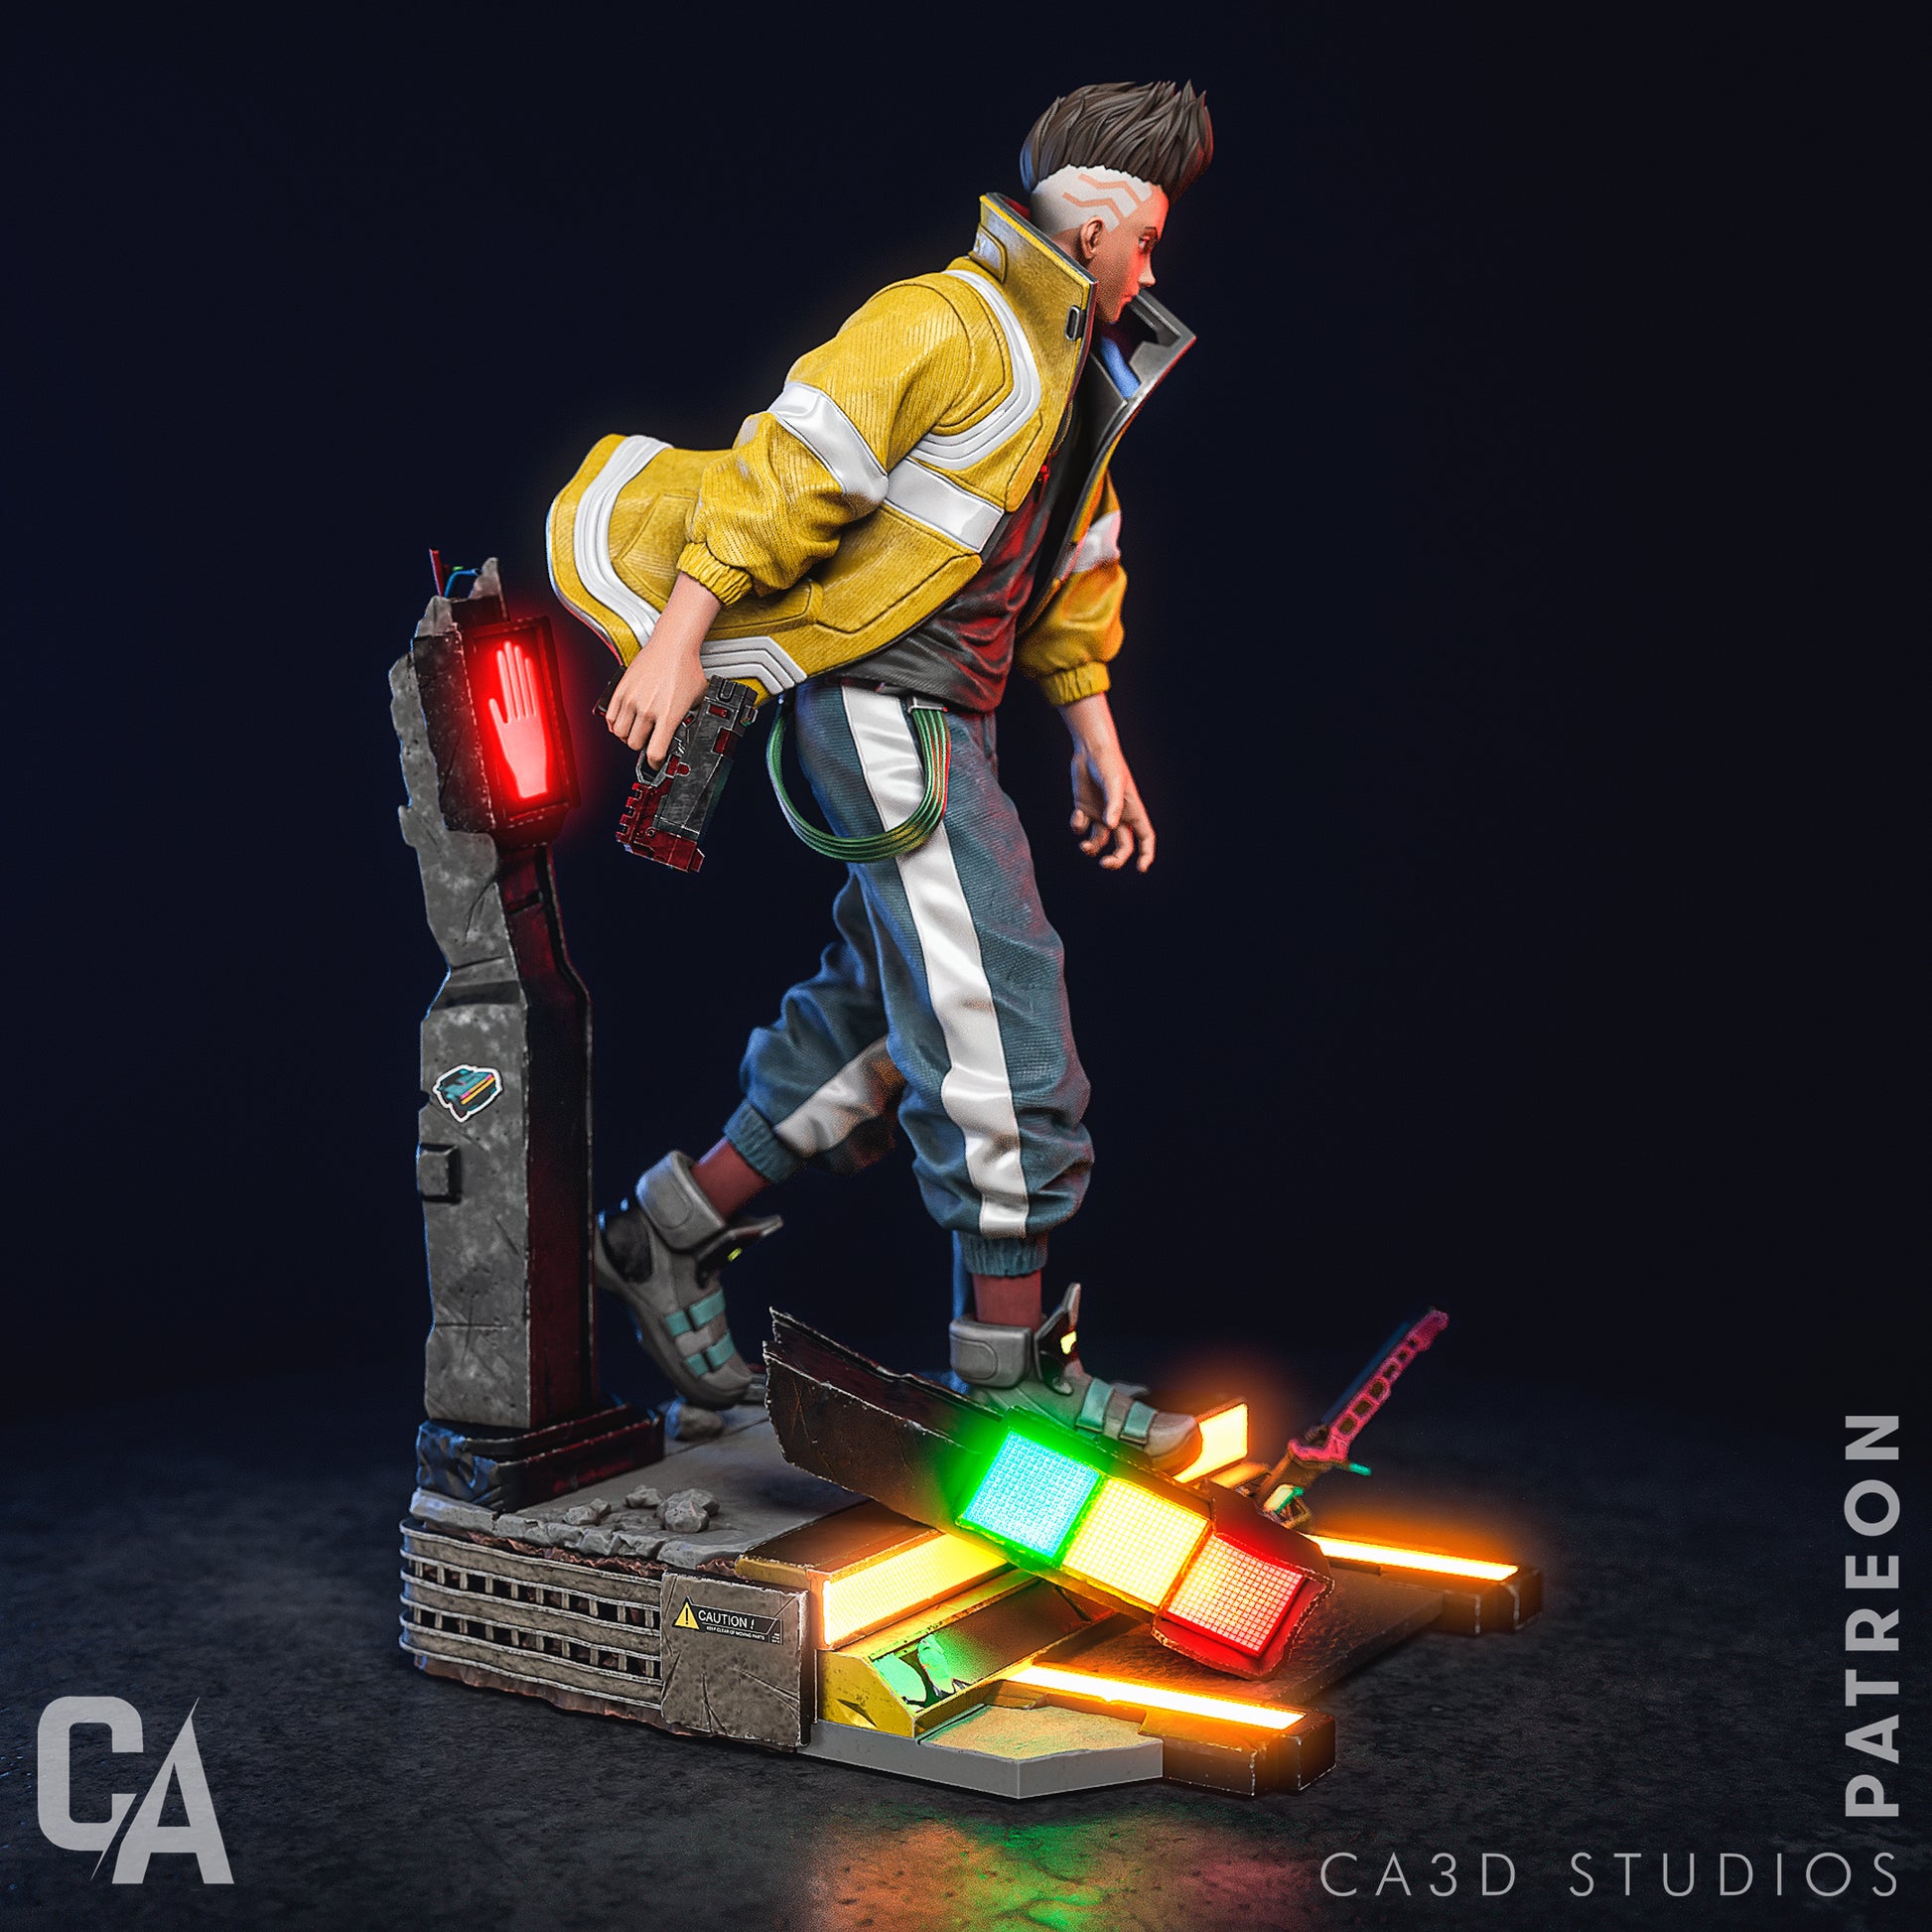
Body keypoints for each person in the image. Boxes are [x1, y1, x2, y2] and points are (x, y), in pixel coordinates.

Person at [563, 81, 1213, 1469]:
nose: (1151, 268)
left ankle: (664, 1232)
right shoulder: (944, 325)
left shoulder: (1072, 375)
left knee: (882, 1023)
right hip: (882, 715)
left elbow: (1070, 566)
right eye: (1146, 239)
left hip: (947, 724)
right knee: (996, 1013)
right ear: (1092, 225)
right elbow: (788, 466)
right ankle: (1007, 1378)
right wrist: (678, 637)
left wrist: (1096, 738)